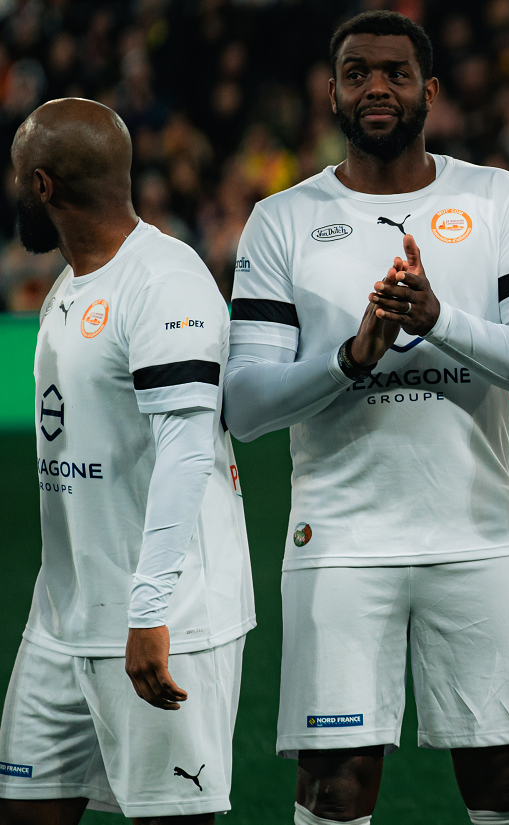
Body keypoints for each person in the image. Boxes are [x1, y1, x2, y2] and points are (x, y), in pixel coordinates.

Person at [222, 11, 509, 825]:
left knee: (505, 778)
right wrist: (353, 354)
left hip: (476, 532)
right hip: (340, 541)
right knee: (334, 784)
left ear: (430, 91)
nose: (376, 86)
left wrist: (438, 320)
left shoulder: (495, 198)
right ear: (332, 90)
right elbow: (244, 405)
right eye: (357, 71)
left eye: (395, 73)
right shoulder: (282, 219)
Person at [0, 98, 254, 824]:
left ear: (42, 185)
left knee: (172, 818)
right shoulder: (69, 283)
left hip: (163, 619)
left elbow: (185, 449)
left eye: (18, 176)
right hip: (64, 615)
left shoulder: (164, 281)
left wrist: (148, 610)